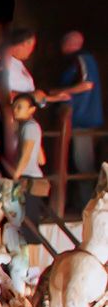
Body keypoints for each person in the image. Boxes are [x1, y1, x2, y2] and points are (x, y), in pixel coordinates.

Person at [60, 31, 101, 205]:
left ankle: (88, 204)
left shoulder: (83, 58)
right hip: (77, 119)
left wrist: (60, 93)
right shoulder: (76, 60)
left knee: (83, 162)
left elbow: (87, 84)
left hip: (82, 118)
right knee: (78, 162)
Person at [8, 93, 47, 247]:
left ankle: (32, 255)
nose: (16, 110)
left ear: (31, 109)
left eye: (20, 107)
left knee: (28, 219)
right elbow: (41, 159)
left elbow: (26, 152)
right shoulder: (31, 127)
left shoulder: (29, 127)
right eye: (14, 107)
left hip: (27, 176)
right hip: (32, 174)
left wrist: (15, 174)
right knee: (30, 217)